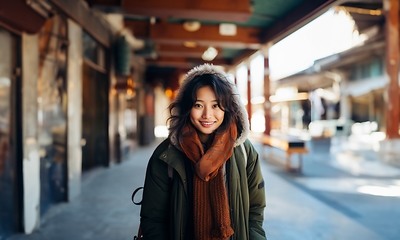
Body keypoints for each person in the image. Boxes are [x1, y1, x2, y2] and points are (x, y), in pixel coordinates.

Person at [140, 63, 267, 240]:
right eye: (198, 105)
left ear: (229, 108)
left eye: (216, 105)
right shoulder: (166, 155)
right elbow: (153, 219)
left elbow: (255, 210)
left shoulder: (244, 152)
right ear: (186, 107)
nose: (207, 115)